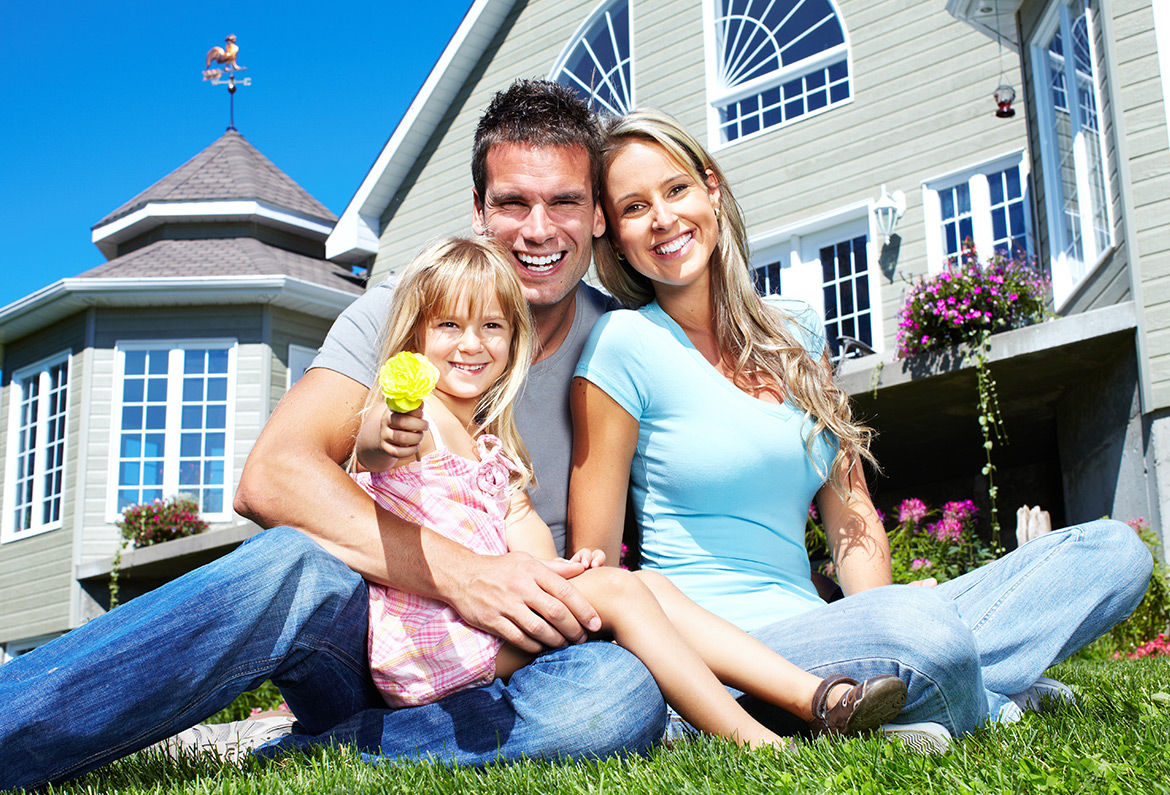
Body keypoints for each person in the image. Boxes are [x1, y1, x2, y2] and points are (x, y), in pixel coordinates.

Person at [0, 81, 665, 794]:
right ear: (478, 210)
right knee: (288, 561)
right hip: (376, 633)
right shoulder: (404, 312)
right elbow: (272, 477)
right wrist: (464, 575)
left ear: (597, 214)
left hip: (510, 663)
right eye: (512, 203)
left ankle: (318, 754)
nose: (538, 229)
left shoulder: (623, 340)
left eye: (564, 202)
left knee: (615, 697)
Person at [568, 108, 1155, 751]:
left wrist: (877, 613)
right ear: (615, 239)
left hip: (836, 626)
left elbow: (850, 512)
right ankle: (980, 698)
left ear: (712, 188)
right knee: (925, 635)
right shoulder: (624, 344)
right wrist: (898, 625)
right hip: (727, 661)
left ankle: (922, 689)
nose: (662, 218)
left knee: (1113, 554)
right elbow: (599, 574)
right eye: (634, 208)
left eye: (676, 189)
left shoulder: (795, 331)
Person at [350, 235, 907, 747]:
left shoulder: (490, 442)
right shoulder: (417, 416)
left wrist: (568, 574)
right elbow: (375, 447)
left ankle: (821, 697)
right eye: (449, 325)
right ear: (414, 336)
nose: (472, 343)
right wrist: (391, 430)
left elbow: (527, 537)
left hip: (487, 629)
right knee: (623, 592)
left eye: (491, 326)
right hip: (433, 643)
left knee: (646, 587)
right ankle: (757, 740)